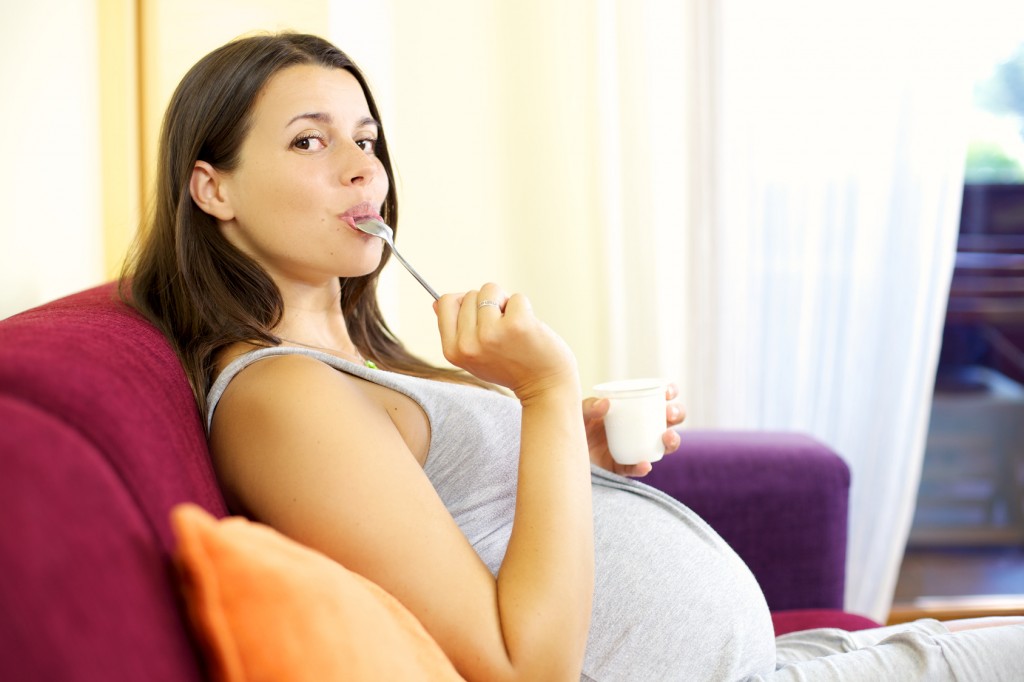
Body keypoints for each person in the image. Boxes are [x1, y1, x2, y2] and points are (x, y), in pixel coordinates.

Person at [123, 32, 1024, 681]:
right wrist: (546, 389)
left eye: (366, 139)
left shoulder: (357, 355)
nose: (362, 168)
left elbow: (453, 518)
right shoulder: (279, 395)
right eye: (310, 140)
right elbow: (521, 668)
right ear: (213, 187)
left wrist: (570, 444)